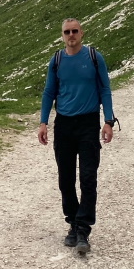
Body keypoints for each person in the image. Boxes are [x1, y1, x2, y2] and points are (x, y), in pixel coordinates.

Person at [38, 18, 116, 255]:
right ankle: (73, 223)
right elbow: (49, 91)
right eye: (66, 32)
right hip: (63, 125)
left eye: (74, 31)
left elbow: (104, 88)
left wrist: (108, 121)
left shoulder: (94, 57)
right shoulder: (57, 60)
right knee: (65, 178)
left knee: (88, 177)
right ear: (62, 36)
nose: (71, 35)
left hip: (88, 122)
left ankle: (83, 228)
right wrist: (43, 122)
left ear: (81, 33)